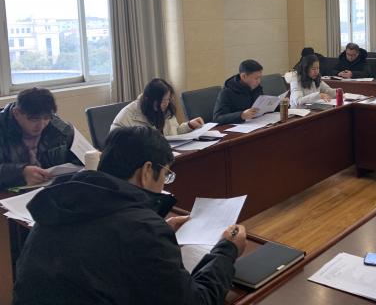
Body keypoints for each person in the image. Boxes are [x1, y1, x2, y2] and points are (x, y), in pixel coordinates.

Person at [12, 126, 246, 305]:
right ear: (147, 171)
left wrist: (159, 230)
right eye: (166, 175)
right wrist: (227, 250)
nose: (164, 184)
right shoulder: (141, 230)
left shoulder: (62, 202)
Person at [0, 87, 75, 188]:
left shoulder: (59, 129)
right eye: (34, 119)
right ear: (16, 113)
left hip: (51, 189)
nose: (41, 126)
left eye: (46, 118)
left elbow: (80, 158)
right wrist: (20, 173)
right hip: (10, 193)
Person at [112, 78, 204, 136]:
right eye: (162, 101)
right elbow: (116, 146)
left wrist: (189, 125)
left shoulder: (166, 109)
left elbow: (174, 133)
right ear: (149, 99)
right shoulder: (128, 115)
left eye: (168, 99)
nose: (166, 104)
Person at [213, 59, 264, 125]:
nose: (259, 81)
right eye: (256, 78)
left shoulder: (256, 87)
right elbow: (217, 118)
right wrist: (241, 115)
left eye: (260, 78)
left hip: (258, 123)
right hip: (237, 128)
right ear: (244, 76)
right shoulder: (226, 92)